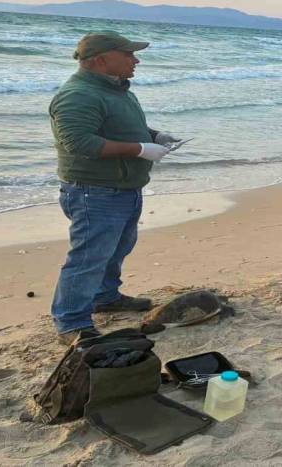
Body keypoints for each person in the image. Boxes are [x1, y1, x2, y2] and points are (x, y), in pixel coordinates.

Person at [49, 31, 183, 345]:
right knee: (89, 257)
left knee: (118, 247)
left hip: (123, 187)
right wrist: (140, 149)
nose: (135, 60)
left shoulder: (117, 89)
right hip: (95, 190)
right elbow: (79, 143)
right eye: (128, 54)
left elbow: (122, 126)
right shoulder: (77, 95)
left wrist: (154, 135)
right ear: (101, 60)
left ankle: (105, 296)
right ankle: (71, 323)